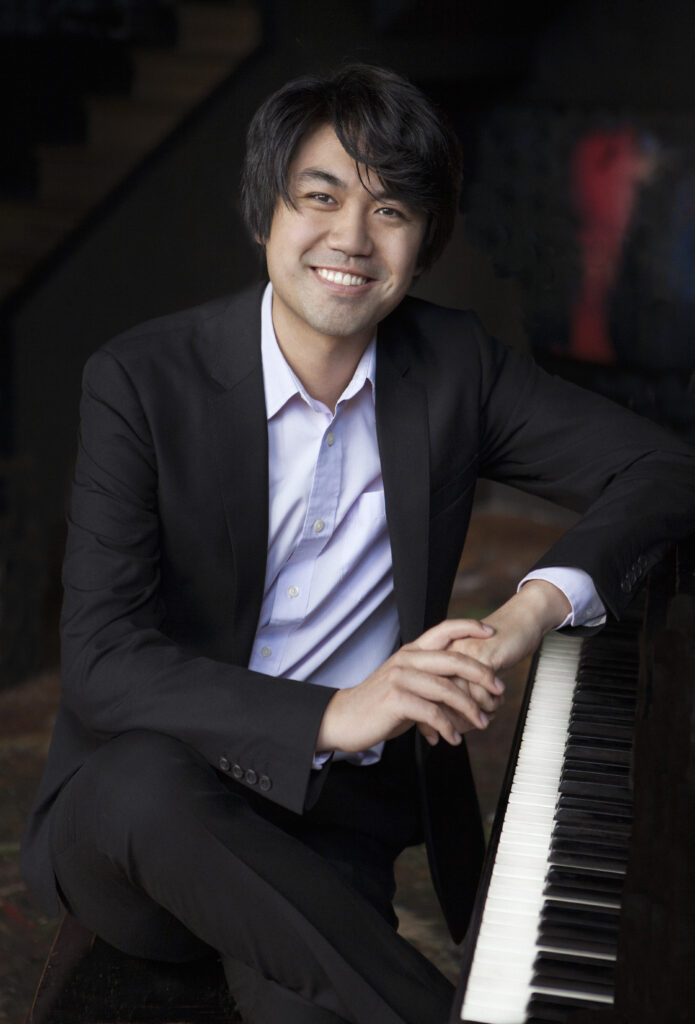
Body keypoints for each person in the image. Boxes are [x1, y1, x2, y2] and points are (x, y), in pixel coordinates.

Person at [21, 64, 695, 1024]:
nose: (350, 237)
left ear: (421, 247)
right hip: (144, 830)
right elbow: (99, 662)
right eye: (321, 197)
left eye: (389, 209)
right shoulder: (141, 381)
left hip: (329, 824)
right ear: (267, 215)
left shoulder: (452, 366)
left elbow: (663, 471)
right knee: (141, 777)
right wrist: (330, 715)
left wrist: (527, 612)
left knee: (313, 994)